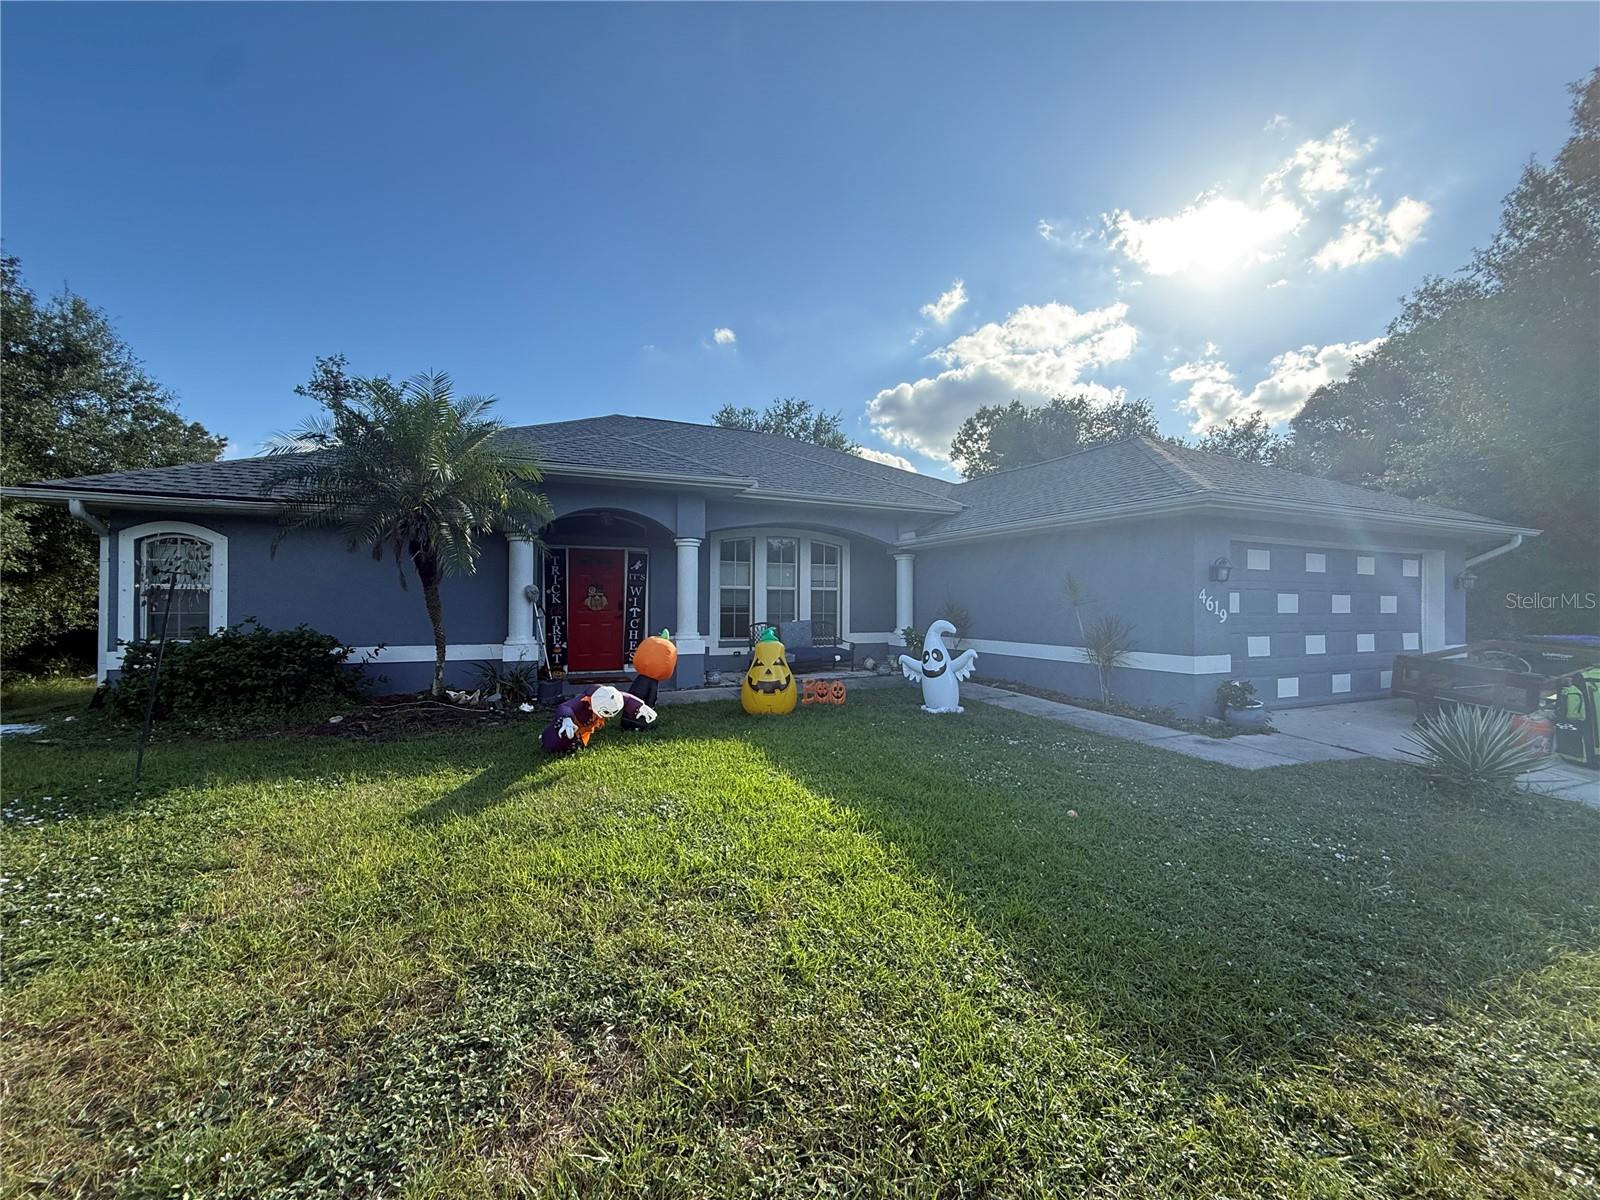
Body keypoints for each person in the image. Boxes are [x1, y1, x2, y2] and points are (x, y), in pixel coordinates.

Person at [540, 684, 655, 754]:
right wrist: (566, 718)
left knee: (573, 743)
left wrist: (640, 706)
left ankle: (573, 743)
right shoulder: (586, 699)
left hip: (585, 725)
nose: (609, 716)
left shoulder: (610, 696)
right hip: (573, 722)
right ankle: (546, 738)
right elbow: (566, 706)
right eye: (606, 712)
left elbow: (625, 698)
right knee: (558, 739)